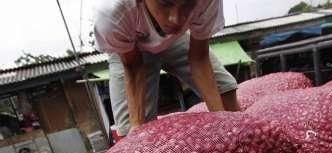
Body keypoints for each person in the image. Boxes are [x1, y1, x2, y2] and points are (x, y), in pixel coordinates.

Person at [94, 0, 240, 137]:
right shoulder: (113, 13)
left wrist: (223, 122)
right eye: (165, 3)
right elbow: (133, 67)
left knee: (224, 93)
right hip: (131, 47)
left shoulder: (207, 1)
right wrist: (137, 125)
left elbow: (199, 58)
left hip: (176, 39)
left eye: (187, 5)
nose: (175, 19)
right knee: (131, 134)